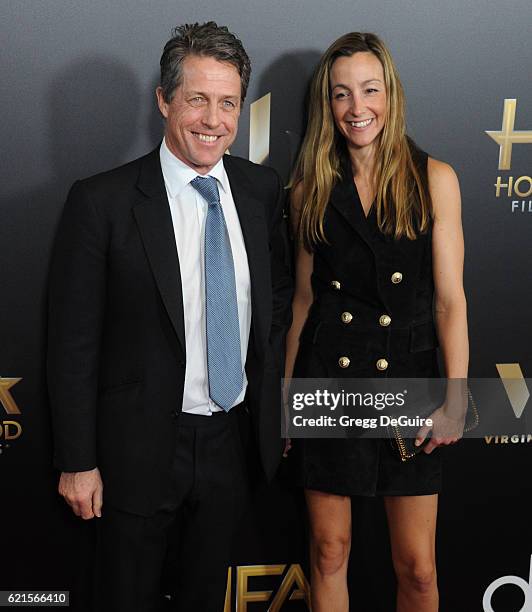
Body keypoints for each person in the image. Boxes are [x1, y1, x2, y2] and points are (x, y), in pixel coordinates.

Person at [47, 21, 292, 612]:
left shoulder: (262, 191)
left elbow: (277, 309)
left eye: (228, 102)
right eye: (197, 100)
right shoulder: (101, 201)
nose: (214, 120)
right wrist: (78, 462)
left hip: (232, 441)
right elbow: (72, 342)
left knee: (207, 597)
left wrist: (275, 414)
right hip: (137, 450)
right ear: (163, 101)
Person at [285, 32, 468, 611]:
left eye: (369, 90)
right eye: (342, 94)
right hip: (327, 383)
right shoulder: (311, 186)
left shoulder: (433, 177)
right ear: (327, 104)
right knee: (329, 552)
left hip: (409, 386)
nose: (356, 108)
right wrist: (289, 401)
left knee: (417, 570)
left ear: (390, 95)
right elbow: (301, 303)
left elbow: (450, 302)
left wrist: (456, 398)